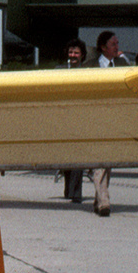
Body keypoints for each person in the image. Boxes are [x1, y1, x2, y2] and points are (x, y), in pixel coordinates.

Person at [92, 32, 132, 216]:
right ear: (103, 47)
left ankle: (99, 197)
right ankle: (104, 202)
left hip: (114, 119)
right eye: (113, 44)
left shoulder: (123, 65)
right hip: (96, 119)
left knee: (107, 162)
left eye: (118, 43)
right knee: (101, 160)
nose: (117, 47)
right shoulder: (89, 66)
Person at [59, 38, 89, 203]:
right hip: (63, 118)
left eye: (76, 53)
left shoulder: (87, 72)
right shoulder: (59, 70)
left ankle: (76, 193)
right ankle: (68, 189)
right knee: (66, 156)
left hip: (80, 118)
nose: (73, 55)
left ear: (82, 55)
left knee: (78, 155)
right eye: (71, 52)